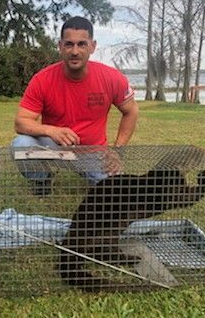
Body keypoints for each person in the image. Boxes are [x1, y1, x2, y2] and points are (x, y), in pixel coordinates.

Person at [11, 16, 139, 193]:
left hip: (93, 153)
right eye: (69, 44)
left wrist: (118, 150)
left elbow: (131, 111)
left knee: (116, 189)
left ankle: (91, 174)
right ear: (60, 46)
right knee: (20, 144)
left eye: (82, 44)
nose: (75, 51)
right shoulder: (42, 79)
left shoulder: (111, 77)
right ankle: (41, 180)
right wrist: (51, 131)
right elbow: (21, 122)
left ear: (92, 46)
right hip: (55, 150)